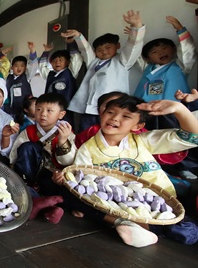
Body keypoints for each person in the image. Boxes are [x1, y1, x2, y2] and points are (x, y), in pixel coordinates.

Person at [55, 95, 198, 247]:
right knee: (70, 195)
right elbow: (82, 182)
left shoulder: (142, 140)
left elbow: (193, 137)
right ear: (101, 114)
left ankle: (137, 228)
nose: (115, 118)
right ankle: (125, 223)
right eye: (110, 112)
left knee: (190, 233)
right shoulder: (88, 149)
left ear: (137, 125)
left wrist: (179, 109)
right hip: (118, 205)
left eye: (126, 116)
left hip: (154, 204)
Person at [65, 10, 145, 132]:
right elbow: (85, 50)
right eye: (99, 49)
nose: (104, 51)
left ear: (117, 46)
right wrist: (78, 36)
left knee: (109, 135)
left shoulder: (122, 61)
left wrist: (137, 27)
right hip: (90, 109)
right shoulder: (94, 62)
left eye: (108, 47)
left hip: (113, 109)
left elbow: (133, 46)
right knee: (86, 133)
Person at [10, 93, 76, 197]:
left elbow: (68, 161)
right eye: (39, 109)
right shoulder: (29, 131)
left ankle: (42, 201)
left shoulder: (66, 133)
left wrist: (63, 140)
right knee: (27, 147)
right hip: (29, 172)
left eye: (49, 111)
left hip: (52, 175)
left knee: (57, 188)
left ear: (61, 114)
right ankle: (23, 185)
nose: (43, 114)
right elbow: (15, 153)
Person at [133, 16, 195, 103]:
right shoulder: (147, 67)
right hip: (144, 107)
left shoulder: (180, 66)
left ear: (174, 49)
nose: (161, 53)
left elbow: (188, 51)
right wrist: (135, 36)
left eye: (164, 48)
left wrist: (180, 29)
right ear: (148, 58)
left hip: (173, 108)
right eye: (154, 52)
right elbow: (134, 54)